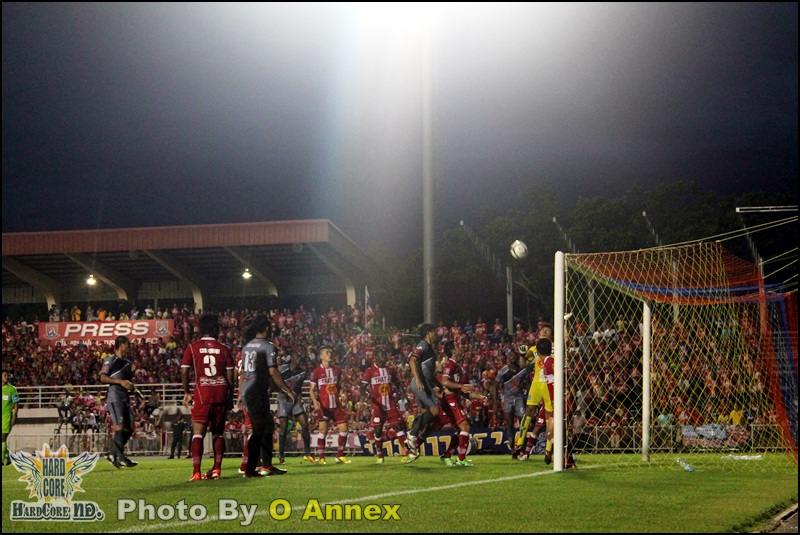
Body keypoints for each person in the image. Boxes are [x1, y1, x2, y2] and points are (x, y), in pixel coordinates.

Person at [240, 314, 296, 477]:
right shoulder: (268, 346)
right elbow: (273, 371)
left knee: (268, 426)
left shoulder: (247, 346)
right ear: (266, 328)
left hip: (249, 389)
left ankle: (266, 465)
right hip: (256, 390)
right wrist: (287, 390)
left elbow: (244, 371)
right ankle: (250, 469)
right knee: (258, 429)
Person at [181, 312, 235, 481]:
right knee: (218, 433)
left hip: (202, 393)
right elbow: (230, 376)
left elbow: (184, 370)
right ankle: (217, 469)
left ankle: (196, 472)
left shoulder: (192, 347)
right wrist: (230, 397)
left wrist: (187, 392)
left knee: (198, 433)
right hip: (221, 393)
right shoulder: (224, 349)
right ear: (215, 329)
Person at [437, 341, 482, 467]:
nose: (460, 348)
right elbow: (445, 382)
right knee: (465, 426)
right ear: (453, 350)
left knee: (461, 429)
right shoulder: (450, 364)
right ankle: (461, 458)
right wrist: (462, 386)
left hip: (453, 398)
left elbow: (458, 388)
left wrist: (477, 396)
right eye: (457, 346)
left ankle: (447, 456)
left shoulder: (457, 366)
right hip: (449, 399)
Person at [361, 346, 409, 463]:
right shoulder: (370, 371)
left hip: (390, 403)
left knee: (397, 426)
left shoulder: (390, 370)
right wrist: (369, 397)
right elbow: (362, 388)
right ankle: (380, 454)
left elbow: (397, 384)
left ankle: (408, 453)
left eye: (385, 355)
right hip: (377, 405)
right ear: (376, 357)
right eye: (382, 355)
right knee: (378, 430)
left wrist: (405, 396)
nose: (384, 357)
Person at [404, 323, 443, 463]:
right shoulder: (423, 345)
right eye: (434, 331)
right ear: (428, 333)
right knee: (434, 410)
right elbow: (412, 360)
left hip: (425, 382)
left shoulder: (429, 348)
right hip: (421, 383)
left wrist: (439, 386)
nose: (436, 334)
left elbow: (430, 375)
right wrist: (419, 380)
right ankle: (412, 434)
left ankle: (412, 449)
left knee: (427, 416)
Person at [309, 345, 352, 465]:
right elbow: (311, 389)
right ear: (321, 356)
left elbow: (339, 385)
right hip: (324, 406)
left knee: (344, 429)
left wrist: (342, 394)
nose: (330, 354)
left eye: (330, 352)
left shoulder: (337, 370)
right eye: (327, 353)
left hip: (336, 406)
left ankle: (340, 455)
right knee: (323, 430)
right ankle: (321, 457)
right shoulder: (316, 372)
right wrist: (315, 401)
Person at [100, 336, 138, 468]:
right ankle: (121, 458)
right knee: (120, 425)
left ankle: (113, 453)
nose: (129, 347)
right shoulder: (110, 360)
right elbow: (103, 378)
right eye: (127, 344)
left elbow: (127, 382)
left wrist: (131, 387)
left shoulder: (127, 363)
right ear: (121, 345)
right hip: (115, 397)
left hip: (125, 397)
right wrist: (120, 382)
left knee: (129, 428)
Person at [492, 344, 531, 457]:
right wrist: (495, 402)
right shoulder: (503, 371)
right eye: (510, 355)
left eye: (514, 355)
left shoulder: (522, 369)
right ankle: (512, 448)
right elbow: (494, 385)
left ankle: (521, 447)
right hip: (508, 399)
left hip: (519, 398)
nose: (512, 357)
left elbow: (528, 384)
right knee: (509, 423)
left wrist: (530, 399)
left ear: (517, 357)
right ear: (508, 358)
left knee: (523, 422)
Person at [276, 351, 315, 464]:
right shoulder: (282, 369)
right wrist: (278, 391)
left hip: (295, 400)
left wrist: (301, 398)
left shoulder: (302, 373)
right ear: (292, 358)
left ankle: (307, 453)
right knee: (283, 425)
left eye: (299, 358)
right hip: (283, 399)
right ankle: (281, 455)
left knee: (304, 424)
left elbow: (299, 388)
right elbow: (274, 380)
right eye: (296, 357)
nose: (298, 360)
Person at [2, 370, 20, 465]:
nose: (7, 377)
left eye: (7, 375)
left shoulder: (12, 389)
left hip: (6, 416)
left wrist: (15, 416)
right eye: (5, 375)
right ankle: (8, 456)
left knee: (2, 438)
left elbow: (16, 403)